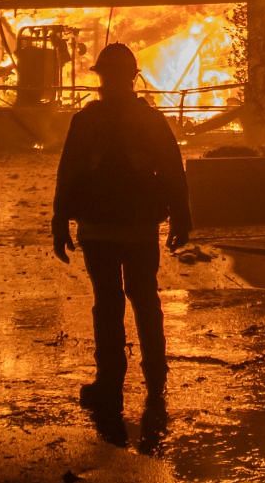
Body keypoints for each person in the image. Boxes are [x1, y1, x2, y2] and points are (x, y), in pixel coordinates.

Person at [51, 42, 191, 425]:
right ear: (133, 77)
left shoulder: (86, 121)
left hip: (98, 229)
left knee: (108, 303)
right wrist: (181, 217)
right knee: (145, 297)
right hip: (138, 227)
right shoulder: (150, 120)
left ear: (102, 77)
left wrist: (60, 222)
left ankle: (109, 383)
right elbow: (173, 171)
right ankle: (155, 378)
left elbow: (69, 174)